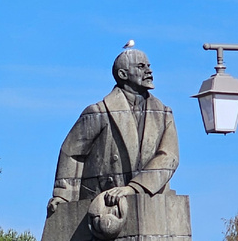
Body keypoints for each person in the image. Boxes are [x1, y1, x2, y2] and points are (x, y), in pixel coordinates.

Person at [47, 46, 178, 217]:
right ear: (123, 74)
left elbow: (169, 156)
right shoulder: (98, 112)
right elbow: (71, 152)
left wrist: (133, 188)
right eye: (141, 66)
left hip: (149, 197)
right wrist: (63, 195)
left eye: (149, 66)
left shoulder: (163, 114)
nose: (149, 71)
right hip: (103, 202)